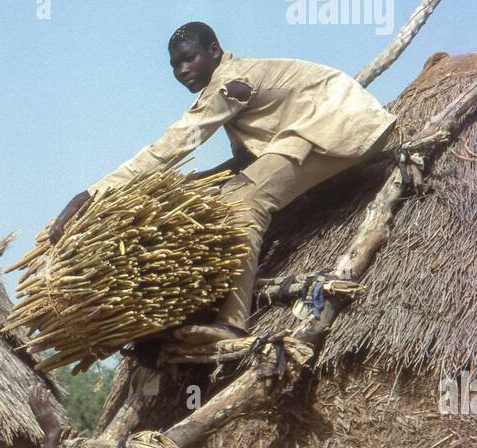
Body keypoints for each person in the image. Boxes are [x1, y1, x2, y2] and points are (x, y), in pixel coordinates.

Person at [50, 21, 397, 338]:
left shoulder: (229, 85)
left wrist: (93, 192)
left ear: (214, 51)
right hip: (321, 123)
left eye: (189, 58)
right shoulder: (234, 79)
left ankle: (231, 323)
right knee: (230, 186)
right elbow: (249, 157)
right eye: (174, 65)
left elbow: (171, 147)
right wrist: (206, 178)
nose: (182, 70)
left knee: (242, 202)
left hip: (334, 123)